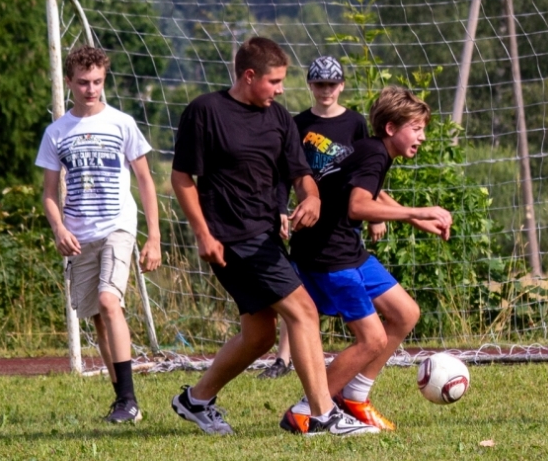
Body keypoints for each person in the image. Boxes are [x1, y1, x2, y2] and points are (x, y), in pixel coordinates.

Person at [170, 36, 375, 437]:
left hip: (266, 236)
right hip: (232, 236)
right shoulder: (206, 112)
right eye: (275, 81)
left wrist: (311, 199)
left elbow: (300, 174)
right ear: (249, 76)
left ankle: (195, 399)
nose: (281, 89)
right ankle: (322, 414)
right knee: (303, 311)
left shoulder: (279, 118)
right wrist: (203, 234)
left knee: (260, 335)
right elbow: (182, 177)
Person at [282, 85, 451, 433]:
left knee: (406, 313)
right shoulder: (374, 154)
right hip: (329, 254)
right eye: (416, 129)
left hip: (346, 249)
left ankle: (356, 395)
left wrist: (416, 219)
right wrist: (420, 210)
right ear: (391, 128)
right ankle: (308, 410)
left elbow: (366, 190)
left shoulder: (371, 150)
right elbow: (358, 205)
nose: (422, 137)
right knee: (371, 338)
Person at [36, 45, 162, 424]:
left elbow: (145, 181)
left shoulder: (121, 123)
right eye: (83, 83)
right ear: (69, 82)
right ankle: (122, 399)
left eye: (97, 82)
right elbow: (48, 192)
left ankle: (129, 398)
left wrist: (153, 236)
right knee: (97, 317)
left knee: (111, 302)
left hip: (117, 228)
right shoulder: (57, 132)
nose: (91, 90)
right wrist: (58, 227)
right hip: (79, 234)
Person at [261, 56, 372, 380]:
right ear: (310, 85)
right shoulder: (297, 124)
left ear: (342, 86)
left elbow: (368, 171)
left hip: (342, 220)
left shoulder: (355, 123)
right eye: (320, 84)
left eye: (332, 84)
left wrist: (376, 214)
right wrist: (281, 208)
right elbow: (284, 173)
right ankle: (283, 359)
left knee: (348, 284)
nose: (326, 90)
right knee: (296, 289)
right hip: (306, 219)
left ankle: (362, 345)